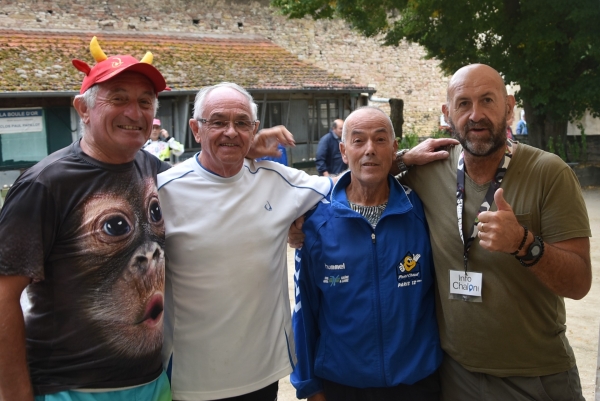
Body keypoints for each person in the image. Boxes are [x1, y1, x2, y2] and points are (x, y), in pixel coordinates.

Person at [290, 63, 591, 401]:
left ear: (509, 108)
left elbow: (579, 284)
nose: (475, 114)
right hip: (456, 377)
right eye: (463, 104)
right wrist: (303, 214)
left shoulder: (549, 172)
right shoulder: (430, 169)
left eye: (487, 101)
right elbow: (368, 169)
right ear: (448, 113)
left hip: (534, 374)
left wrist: (524, 243)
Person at [0, 37, 172, 401]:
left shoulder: (152, 168)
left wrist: (250, 149)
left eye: (145, 102)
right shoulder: (45, 184)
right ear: (83, 109)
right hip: (74, 388)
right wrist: (15, 394)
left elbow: (209, 182)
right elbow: (4, 294)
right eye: (119, 98)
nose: (134, 112)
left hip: (152, 382)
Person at [157, 82, 333, 401]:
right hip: (190, 378)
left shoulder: (276, 180)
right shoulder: (163, 191)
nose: (230, 132)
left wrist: (403, 160)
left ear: (254, 131)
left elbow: (352, 185)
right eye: (218, 122)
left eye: (241, 123)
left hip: (260, 372)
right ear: (196, 129)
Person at [291, 106, 442, 401]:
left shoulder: (422, 212)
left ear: (395, 149)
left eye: (380, 140)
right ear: (344, 151)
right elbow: (304, 310)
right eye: (358, 141)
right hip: (341, 384)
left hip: (417, 383)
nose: (370, 149)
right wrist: (310, 386)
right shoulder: (316, 224)